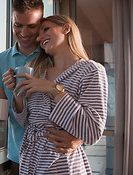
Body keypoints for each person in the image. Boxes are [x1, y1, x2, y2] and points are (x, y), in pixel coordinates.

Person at [0, 0, 83, 175]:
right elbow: (1, 113)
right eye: (17, 25)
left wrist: (79, 139)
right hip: (19, 156)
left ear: (41, 24)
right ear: (11, 22)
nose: (24, 33)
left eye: (32, 26)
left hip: (55, 156)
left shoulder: (53, 53)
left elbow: (82, 104)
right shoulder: (0, 60)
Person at [9, 15, 108, 174]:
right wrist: (18, 92)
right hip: (29, 161)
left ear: (66, 28)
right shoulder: (40, 73)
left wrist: (54, 89)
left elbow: (93, 131)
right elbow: (27, 123)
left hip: (62, 164)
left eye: (46, 29)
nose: (40, 37)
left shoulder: (91, 70)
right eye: (39, 35)